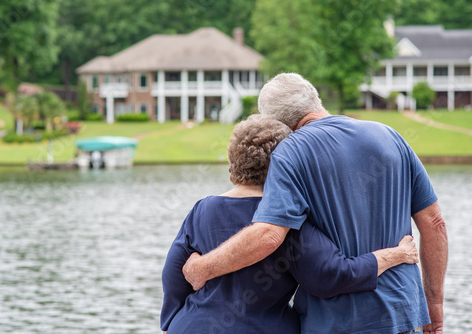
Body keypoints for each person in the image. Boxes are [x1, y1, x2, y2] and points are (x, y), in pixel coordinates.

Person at [183, 74, 448, 334]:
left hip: (337, 323)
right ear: (315, 99)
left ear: (279, 124)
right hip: (405, 314)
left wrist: (203, 268)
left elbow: (268, 235)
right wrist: (434, 304)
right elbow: (434, 224)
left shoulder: (290, 151)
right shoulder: (390, 135)